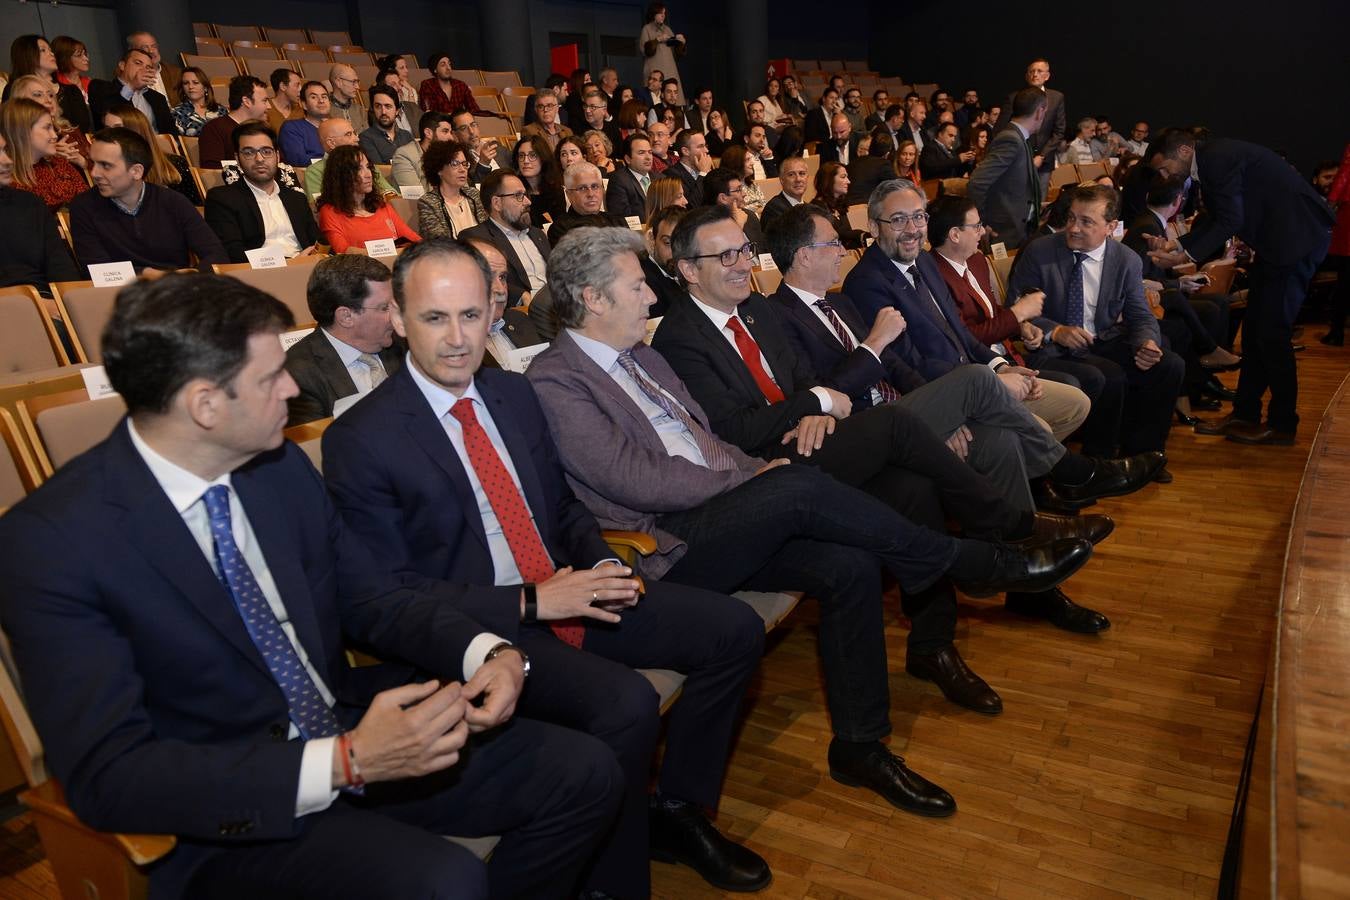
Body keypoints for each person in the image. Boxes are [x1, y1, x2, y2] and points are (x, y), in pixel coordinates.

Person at [0, 270, 622, 899]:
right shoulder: (54, 543)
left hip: (343, 725)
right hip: (228, 808)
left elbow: (371, 594)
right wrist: (345, 762)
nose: (295, 387)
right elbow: (112, 776)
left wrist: (488, 650)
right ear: (204, 405)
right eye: (272, 377)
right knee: (446, 880)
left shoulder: (277, 468)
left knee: (584, 772)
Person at [529, 224, 1093, 815]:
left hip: (726, 507)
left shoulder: (640, 356)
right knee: (800, 485)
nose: (651, 297)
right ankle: (979, 558)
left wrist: (757, 467)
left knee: (848, 565)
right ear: (592, 298)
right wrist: (754, 478)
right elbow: (634, 478)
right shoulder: (556, 380)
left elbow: (705, 441)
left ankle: (861, 746)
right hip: (665, 544)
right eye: (638, 285)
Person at [321, 236, 770, 896]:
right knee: (626, 704)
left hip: (566, 587)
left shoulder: (511, 393)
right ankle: (613, 882)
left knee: (734, 632)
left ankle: (675, 811)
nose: (455, 339)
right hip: (479, 629)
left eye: (471, 316)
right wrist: (532, 605)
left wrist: (598, 562)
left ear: (492, 313)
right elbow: (388, 599)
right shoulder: (362, 438)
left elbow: (560, 505)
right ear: (396, 320)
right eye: (434, 318)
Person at [765, 204, 1119, 631]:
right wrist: (874, 344)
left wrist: (940, 414)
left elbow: (898, 369)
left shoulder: (838, 302)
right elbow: (823, 394)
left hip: (903, 416)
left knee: (1001, 442)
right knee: (974, 380)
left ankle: (1024, 584)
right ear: (805, 255)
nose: (842, 251)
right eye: (833, 243)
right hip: (862, 433)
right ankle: (1071, 474)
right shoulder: (776, 316)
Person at [1147, 129, 1335, 445]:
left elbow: (1230, 220)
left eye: (1165, 167)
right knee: (1253, 332)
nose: (1165, 175)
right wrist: (1178, 244)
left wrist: (1184, 254)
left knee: (1272, 335)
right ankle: (1245, 414)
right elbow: (1220, 216)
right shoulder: (1212, 158)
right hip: (1279, 245)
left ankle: (1283, 423)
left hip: (1294, 243)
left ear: (1182, 150)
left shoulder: (1215, 160)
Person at [1007, 184, 1185, 460]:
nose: (1074, 228)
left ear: (1110, 226)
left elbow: (1139, 312)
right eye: (1071, 218)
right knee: (1108, 376)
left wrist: (1147, 342)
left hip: (1101, 339)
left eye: (1086, 221)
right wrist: (1056, 331)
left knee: (1169, 364)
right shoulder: (1040, 252)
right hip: (1053, 348)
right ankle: (1098, 459)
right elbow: (1016, 308)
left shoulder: (1126, 260)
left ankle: (1144, 455)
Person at [69, 127, 227, 273]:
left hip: (179, 292)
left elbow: (216, 254)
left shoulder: (173, 202)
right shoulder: (84, 207)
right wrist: (147, 275)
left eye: (106, 165)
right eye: (93, 162)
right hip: (122, 295)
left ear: (136, 171)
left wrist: (192, 278)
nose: (94, 173)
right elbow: (98, 270)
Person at [284, 254, 404, 424]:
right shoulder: (298, 375)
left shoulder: (405, 342)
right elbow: (315, 447)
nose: (397, 315)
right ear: (346, 316)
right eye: (385, 307)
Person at [204, 122, 320, 263]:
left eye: (266, 151)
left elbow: (316, 243)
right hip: (258, 274)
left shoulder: (296, 199)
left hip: (306, 270)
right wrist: (288, 263)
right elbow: (232, 253)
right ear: (237, 159)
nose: (259, 159)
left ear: (277, 156)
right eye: (249, 153)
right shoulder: (222, 199)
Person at [0, 130, 82, 293]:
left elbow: (60, 267)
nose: (7, 160)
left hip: (47, 299)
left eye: (5, 150)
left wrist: (70, 302)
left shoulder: (30, 203)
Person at [968, 87, 1047, 251]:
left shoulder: (1018, 137)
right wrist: (981, 223)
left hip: (1018, 231)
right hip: (1004, 232)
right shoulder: (1010, 139)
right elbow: (977, 183)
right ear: (1039, 112)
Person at [461, 169, 552, 305]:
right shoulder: (476, 238)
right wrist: (521, 296)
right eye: (518, 195)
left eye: (525, 194)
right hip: (521, 314)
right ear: (497, 203)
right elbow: (482, 281)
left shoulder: (538, 234)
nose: (527, 202)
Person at [316, 145, 421, 254]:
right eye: (359, 169)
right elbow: (343, 251)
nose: (368, 174)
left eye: (368, 167)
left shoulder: (381, 207)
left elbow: (416, 240)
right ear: (342, 175)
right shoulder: (330, 212)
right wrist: (389, 252)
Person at [464, 237, 545, 364]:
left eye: (502, 277)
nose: (501, 290)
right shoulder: (452, 344)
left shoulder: (519, 320)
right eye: (487, 277)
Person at [101, 103, 200, 206]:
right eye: (108, 129)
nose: (111, 135)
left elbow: (194, 208)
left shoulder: (175, 163)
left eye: (118, 128)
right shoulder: (106, 169)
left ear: (136, 131)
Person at [0, 97, 87, 213]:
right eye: (47, 128)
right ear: (23, 132)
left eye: (52, 127)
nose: (55, 135)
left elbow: (89, 203)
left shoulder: (59, 164)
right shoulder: (8, 180)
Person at [994, 58, 1067, 179]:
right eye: (1032, 71)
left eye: (1039, 71)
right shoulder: (1013, 98)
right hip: (1017, 160)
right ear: (1027, 76)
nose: (1035, 74)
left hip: (1044, 163)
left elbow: (1059, 131)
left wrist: (1042, 156)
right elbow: (999, 130)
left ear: (1047, 76)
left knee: (1040, 198)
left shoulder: (1057, 97)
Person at [6, 35, 91, 133]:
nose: (51, 54)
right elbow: (13, 128)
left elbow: (83, 128)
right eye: (43, 50)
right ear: (27, 55)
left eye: (50, 50)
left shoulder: (71, 90)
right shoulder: (13, 89)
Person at [303, 118, 397, 202]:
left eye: (354, 133)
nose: (357, 139)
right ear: (331, 143)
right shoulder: (315, 172)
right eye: (348, 134)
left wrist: (388, 196)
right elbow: (319, 206)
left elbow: (389, 192)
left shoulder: (365, 163)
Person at [88, 47, 175, 135]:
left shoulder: (158, 98)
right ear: (122, 65)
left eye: (148, 67)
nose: (143, 69)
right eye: (138, 63)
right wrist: (132, 86)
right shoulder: (100, 87)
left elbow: (172, 134)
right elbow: (106, 113)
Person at [416, 139, 486, 239]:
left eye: (465, 164)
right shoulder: (428, 202)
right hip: (451, 253)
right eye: (455, 164)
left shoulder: (474, 195)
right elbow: (438, 241)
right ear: (439, 169)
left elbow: (488, 231)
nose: (462, 170)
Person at [197, 75, 269, 169]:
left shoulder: (264, 129)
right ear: (246, 101)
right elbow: (212, 169)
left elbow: (279, 163)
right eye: (265, 101)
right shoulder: (215, 129)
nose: (269, 106)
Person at [550, 161, 626, 245]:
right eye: (582, 188)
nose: (591, 194)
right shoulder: (560, 229)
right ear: (569, 194)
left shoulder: (617, 221)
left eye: (595, 186)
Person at [640, 203, 689, 315]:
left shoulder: (694, 270)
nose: (675, 252)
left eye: (682, 243)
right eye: (667, 243)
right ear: (653, 239)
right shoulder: (645, 281)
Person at [511, 134, 566, 228]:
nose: (526, 161)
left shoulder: (556, 191)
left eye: (532, 155)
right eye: (521, 155)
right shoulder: (514, 192)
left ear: (543, 158)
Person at [391, 110, 453, 191]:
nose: (451, 138)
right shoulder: (404, 156)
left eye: (451, 132)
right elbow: (416, 197)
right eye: (445, 131)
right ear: (428, 133)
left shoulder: (449, 155)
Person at [639, 3, 686, 105]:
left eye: (664, 13)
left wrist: (681, 43)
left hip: (670, 70)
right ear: (653, 14)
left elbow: (677, 54)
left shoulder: (667, 29)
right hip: (655, 69)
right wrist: (658, 40)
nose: (663, 15)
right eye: (660, 13)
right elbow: (645, 50)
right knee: (655, 101)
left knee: (673, 97)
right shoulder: (647, 29)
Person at [702, 167, 763, 246]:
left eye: (742, 188)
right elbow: (723, 254)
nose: (744, 194)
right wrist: (738, 226)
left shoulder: (750, 216)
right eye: (738, 190)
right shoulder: (707, 226)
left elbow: (763, 252)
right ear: (723, 198)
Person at [809, 161, 862, 249]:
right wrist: (858, 234)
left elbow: (846, 236)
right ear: (829, 180)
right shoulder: (816, 209)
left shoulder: (839, 204)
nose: (848, 181)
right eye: (843, 177)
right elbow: (833, 238)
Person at [359, 85, 414, 166]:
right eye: (378, 106)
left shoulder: (406, 136)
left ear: (397, 111)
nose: (383, 112)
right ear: (373, 109)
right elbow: (379, 170)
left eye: (388, 106)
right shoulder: (365, 138)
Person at [606, 132, 655, 220]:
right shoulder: (619, 180)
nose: (648, 157)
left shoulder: (660, 178)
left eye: (650, 152)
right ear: (628, 159)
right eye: (641, 153)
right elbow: (621, 217)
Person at [279, 81, 330, 166]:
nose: (321, 101)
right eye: (314, 97)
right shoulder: (292, 128)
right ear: (304, 104)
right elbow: (298, 160)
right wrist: (334, 162)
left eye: (324, 97)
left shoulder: (338, 126)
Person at [124, 31, 180, 105]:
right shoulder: (128, 77)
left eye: (154, 46)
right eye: (144, 47)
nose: (151, 51)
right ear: (132, 50)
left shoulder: (175, 72)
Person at [419, 54, 485, 117]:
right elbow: (428, 112)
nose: (448, 68)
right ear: (435, 70)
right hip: (439, 125)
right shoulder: (428, 84)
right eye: (443, 65)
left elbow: (474, 110)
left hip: (459, 124)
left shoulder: (461, 85)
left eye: (449, 64)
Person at [52, 35, 94, 131]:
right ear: (64, 57)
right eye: (79, 55)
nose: (86, 59)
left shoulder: (90, 83)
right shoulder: (56, 88)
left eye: (85, 54)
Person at [450, 109, 502, 184]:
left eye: (473, 125)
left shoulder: (497, 147)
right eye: (463, 128)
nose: (471, 131)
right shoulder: (459, 161)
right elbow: (472, 188)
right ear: (454, 135)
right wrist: (483, 163)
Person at [171, 66, 226, 137]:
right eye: (186, 83)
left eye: (195, 83)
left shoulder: (221, 110)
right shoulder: (177, 113)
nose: (190, 87)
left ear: (205, 88)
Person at [662, 129, 710, 206]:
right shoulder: (671, 175)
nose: (706, 150)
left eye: (705, 146)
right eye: (701, 146)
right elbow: (691, 206)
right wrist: (703, 174)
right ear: (685, 151)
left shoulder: (708, 170)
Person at [264, 67, 304, 134]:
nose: (300, 89)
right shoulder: (265, 109)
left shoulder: (301, 112)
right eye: (297, 85)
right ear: (283, 86)